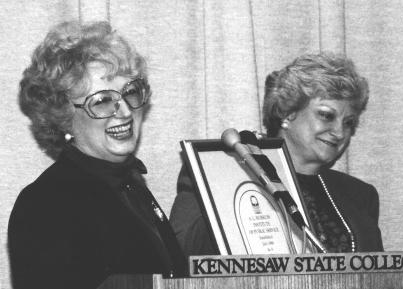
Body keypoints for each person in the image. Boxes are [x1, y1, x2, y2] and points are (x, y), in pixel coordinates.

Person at [8, 21, 186, 289]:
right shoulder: (45, 204)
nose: (125, 112)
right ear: (63, 116)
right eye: (102, 101)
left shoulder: (130, 186)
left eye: (130, 93)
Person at [170, 52, 383, 257]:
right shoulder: (219, 174)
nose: (339, 132)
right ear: (287, 113)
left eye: (349, 123)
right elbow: (182, 255)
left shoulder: (360, 196)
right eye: (327, 116)